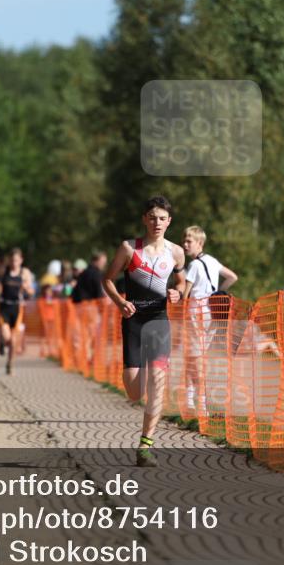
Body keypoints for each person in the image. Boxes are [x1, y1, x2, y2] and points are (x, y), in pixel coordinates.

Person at [102, 195, 187, 467]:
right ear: (144, 219)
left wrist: (178, 293)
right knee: (135, 392)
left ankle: (145, 447)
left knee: (158, 384)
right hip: (134, 321)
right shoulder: (129, 249)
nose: (157, 223)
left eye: (162, 218)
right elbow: (107, 280)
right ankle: (138, 377)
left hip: (159, 322)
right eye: (152, 217)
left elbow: (182, 281)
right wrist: (120, 302)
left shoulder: (175, 252)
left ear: (169, 221)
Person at [180, 226, 239, 412]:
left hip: (196, 314)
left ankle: (201, 402)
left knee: (194, 358)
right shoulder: (212, 261)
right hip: (212, 314)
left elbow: (185, 295)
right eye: (185, 240)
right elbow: (232, 277)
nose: (185, 244)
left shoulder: (194, 265)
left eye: (189, 241)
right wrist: (219, 292)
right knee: (197, 356)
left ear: (200, 243)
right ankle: (190, 399)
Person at [0, 248, 35, 374]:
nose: (14, 263)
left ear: (21, 261)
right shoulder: (4, 272)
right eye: (12, 260)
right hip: (4, 307)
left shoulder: (24, 273)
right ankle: (2, 342)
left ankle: (10, 364)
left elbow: (31, 292)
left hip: (17, 308)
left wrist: (26, 288)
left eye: (16, 261)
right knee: (7, 337)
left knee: (13, 340)